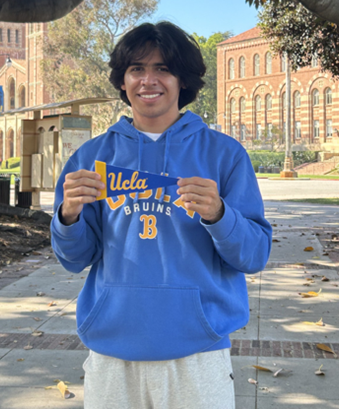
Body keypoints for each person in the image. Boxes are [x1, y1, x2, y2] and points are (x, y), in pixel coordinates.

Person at [51, 22, 272, 409]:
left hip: (198, 354)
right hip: (112, 351)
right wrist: (68, 217)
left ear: (182, 80)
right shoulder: (91, 158)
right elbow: (73, 259)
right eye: (137, 69)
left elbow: (254, 256)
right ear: (122, 80)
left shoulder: (225, 155)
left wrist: (220, 215)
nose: (148, 80)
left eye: (163, 69)